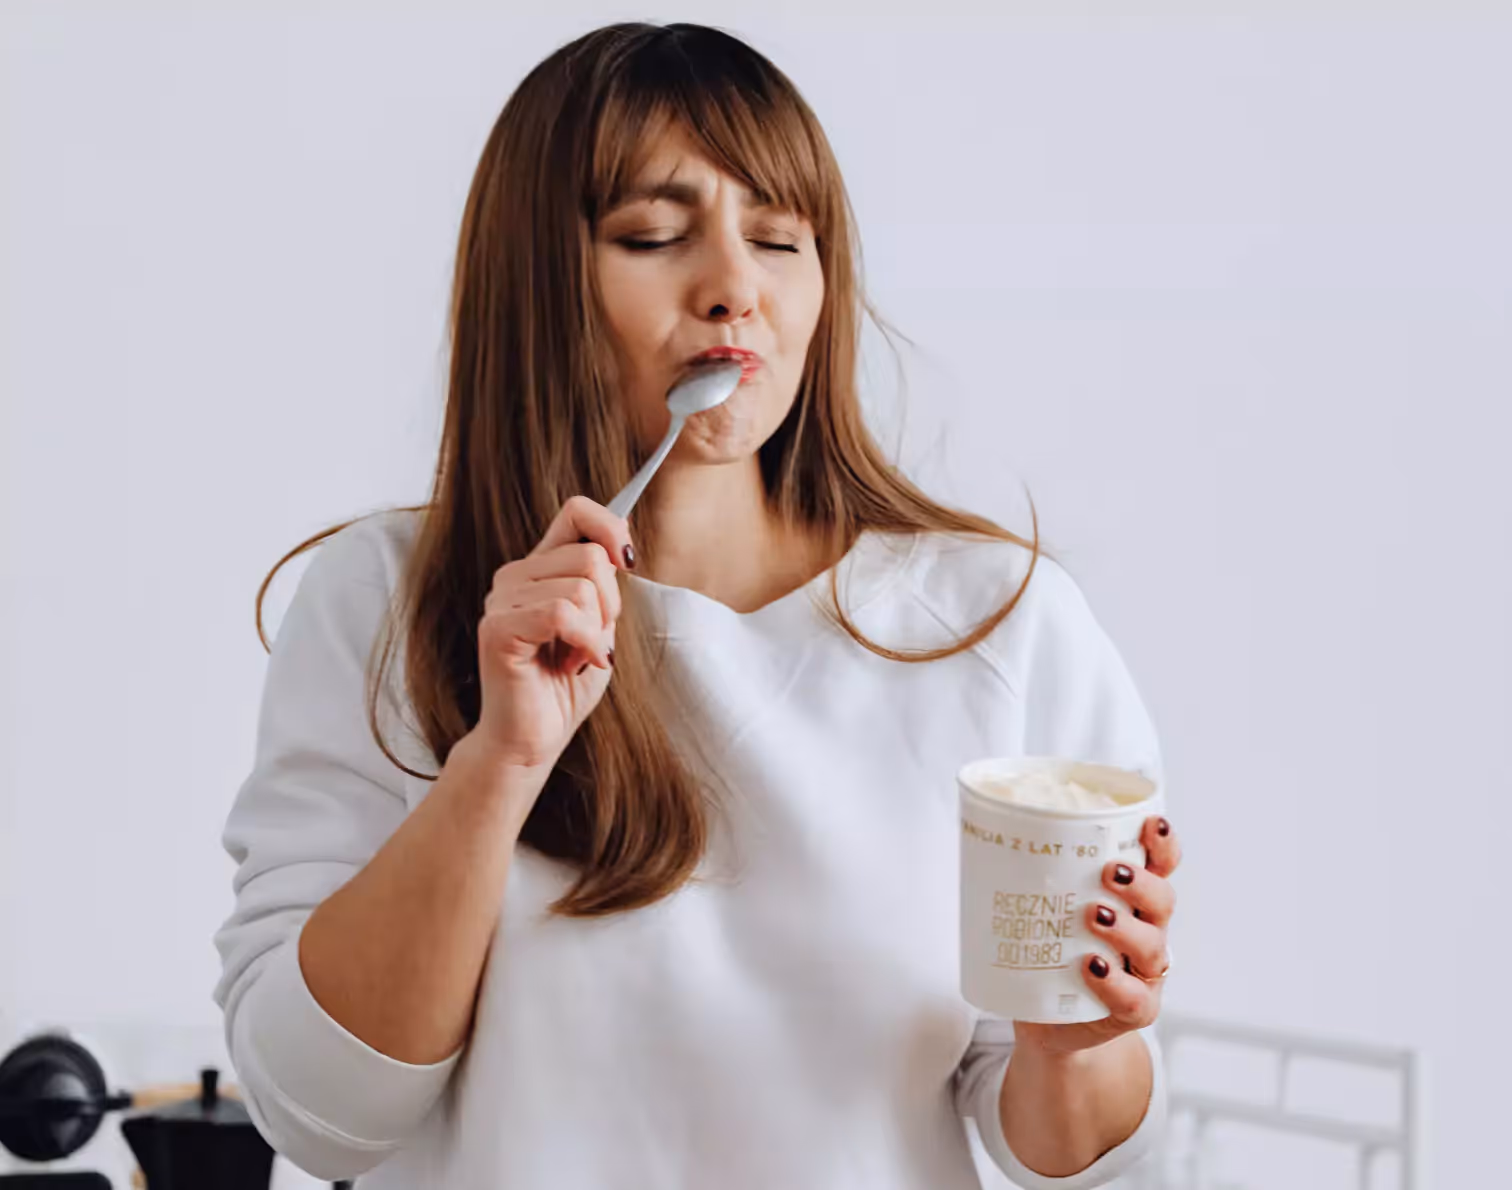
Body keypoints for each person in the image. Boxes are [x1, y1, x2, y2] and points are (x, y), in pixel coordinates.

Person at [213, 21, 1182, 1190]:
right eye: (654, 235)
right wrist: (500, 760)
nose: (736, 289)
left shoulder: (998, 625)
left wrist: (1079, 1041)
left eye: (780, 239)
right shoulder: (383, 601)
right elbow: (320, 1113)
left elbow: (1077, 1157)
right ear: (538, 281)